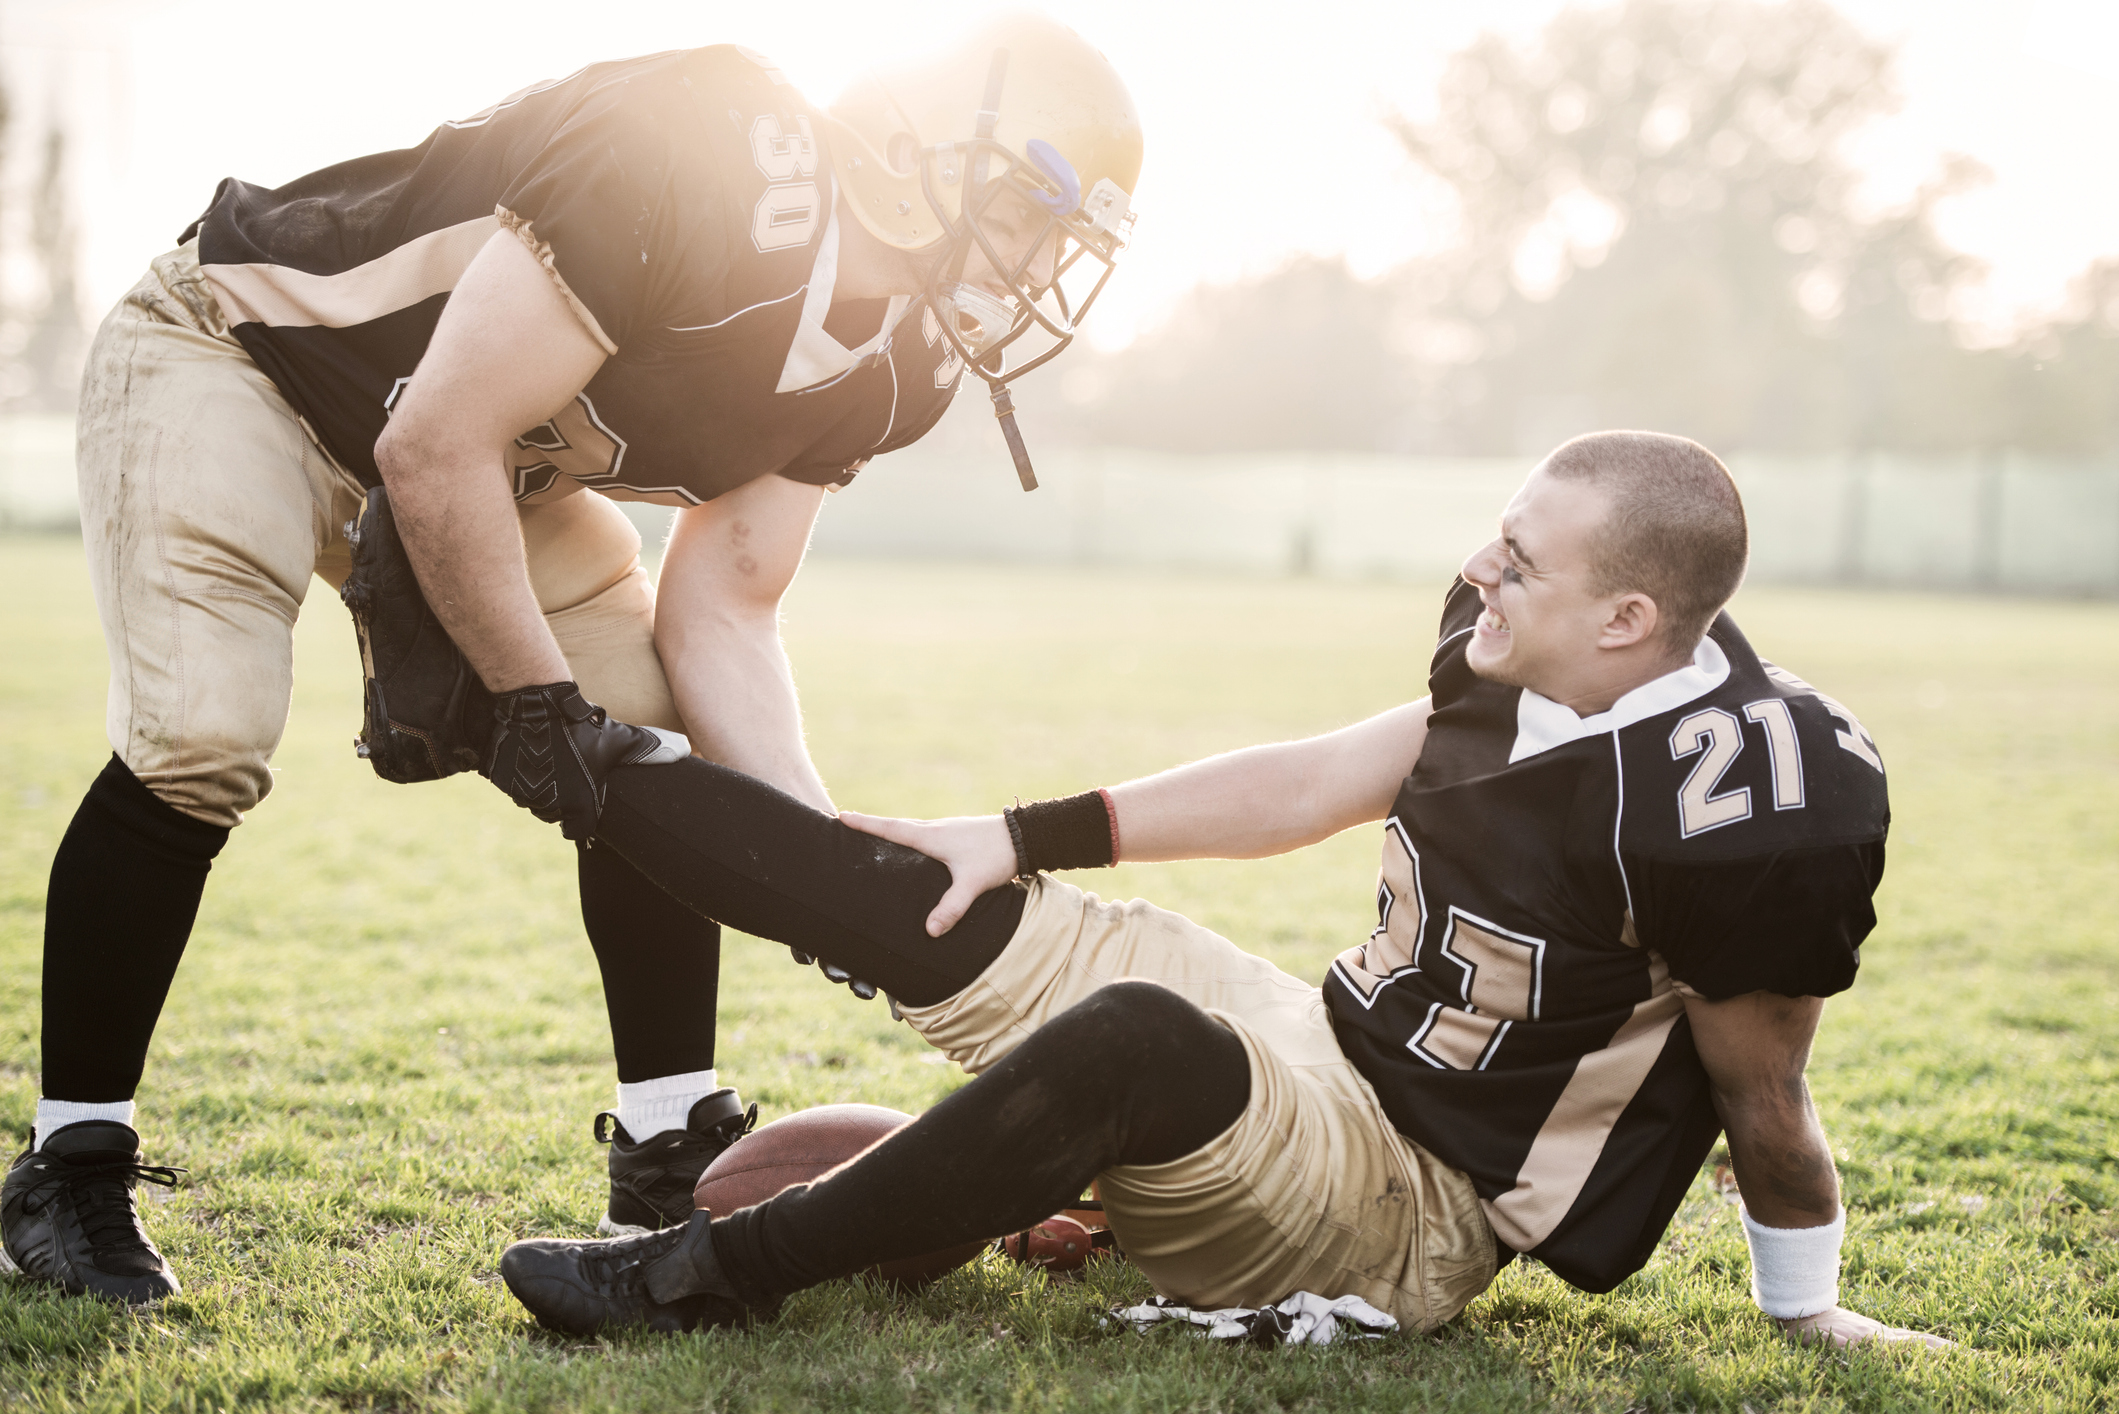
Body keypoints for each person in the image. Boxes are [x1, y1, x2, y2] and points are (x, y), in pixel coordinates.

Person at [3, 16, 1143, 1304]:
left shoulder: (900, 364)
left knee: (649, 732)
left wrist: (824, 863)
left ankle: (666, 1142)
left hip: (477, 461)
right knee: (203, 734)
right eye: (1025, 210)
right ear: (909, 142)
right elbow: (434, 441)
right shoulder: (704, 149)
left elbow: (725, 608)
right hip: (250, 360)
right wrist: (535, 700)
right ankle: (69, 1164)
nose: (1032, 264)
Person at [495, 431, 1950, 1349]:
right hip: (1325, 1046)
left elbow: (1766, 1096)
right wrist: (1021, 834)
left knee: (1138, 1039)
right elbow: (1311, 781)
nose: (1477, 571)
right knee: (937, 884)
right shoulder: (1521, 654)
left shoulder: (1741, 801)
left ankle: (702, 1273)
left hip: (1417, 1202)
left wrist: (1807, 1306)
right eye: (1498, 535)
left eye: (1519, 562)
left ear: (1629, 619)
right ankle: (521, 728)